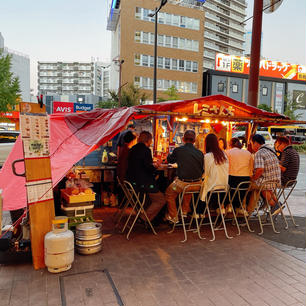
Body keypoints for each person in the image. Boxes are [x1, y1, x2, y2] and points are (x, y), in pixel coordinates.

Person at [165, 130, 204, 222]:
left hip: (181, 185)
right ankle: (184, 212)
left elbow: (170, 160)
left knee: (169, 193)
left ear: (183, 139)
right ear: (194, 141)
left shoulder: (178, 150)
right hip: (197, 185)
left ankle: (174, 217)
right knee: (188, 188)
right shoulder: (200, 153)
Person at [126, 131, 166, 221]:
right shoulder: (146, 150)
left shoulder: (132, 149)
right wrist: (155, 166)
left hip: (132, 182)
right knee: (161, 200)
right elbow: (149, 168)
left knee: (150, 198)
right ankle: (145, 218)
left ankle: (146, 216)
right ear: (149, 140)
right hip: (143, 184)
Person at [247, 134, 282, 215]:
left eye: (252, 144)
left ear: (255, 143)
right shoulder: (271, 149)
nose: (252, 146)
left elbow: (260, 170)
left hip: (266, 181)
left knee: (250, 187)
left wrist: (253, 178)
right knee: (267, 188)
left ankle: (248, 211)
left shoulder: (259, 153)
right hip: (275, 180)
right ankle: (278, 204)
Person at [200, 133, 229, 212]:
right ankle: (218, 208)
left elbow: (205, 173)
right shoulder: (224, 155)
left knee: (196, 188)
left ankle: (199, 212)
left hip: (212, 188)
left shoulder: (208, 156)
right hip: (224, 187)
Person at [226, 137, 253, 213]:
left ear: (230, 144)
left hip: (231, 180)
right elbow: (251, 171)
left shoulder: (228, 152)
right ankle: (238, 206)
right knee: (241, 192)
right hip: (245, 181)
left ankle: (227, 205)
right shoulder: (248, 153)